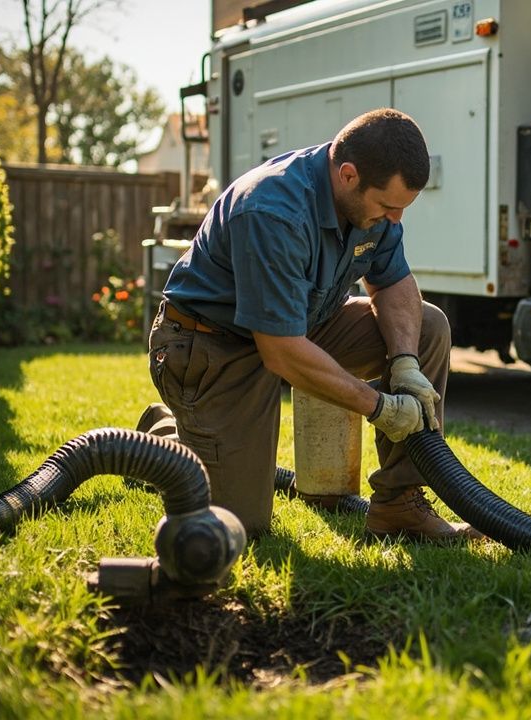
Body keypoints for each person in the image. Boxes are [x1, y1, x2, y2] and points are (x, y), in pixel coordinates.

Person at [140, 108, 479, 542]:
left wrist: (406, 365)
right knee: (239, 525)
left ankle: (399, 505)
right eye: (388, 206)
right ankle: (166, 432)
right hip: (211, 347)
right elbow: (280, 352)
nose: (395, 220)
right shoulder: (271, 209)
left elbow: (393, 283)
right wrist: (381, 408)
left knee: (428, 326)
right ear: (349, 175)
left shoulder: (370, 208)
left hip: (301, 323)